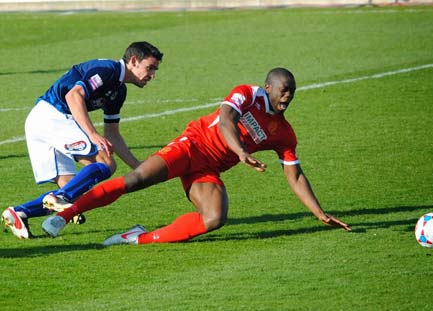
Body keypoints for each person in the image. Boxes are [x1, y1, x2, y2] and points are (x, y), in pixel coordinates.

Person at [42, 67, 352, 245]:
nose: (287, 97)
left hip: (208, 168)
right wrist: (241, 151)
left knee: (215, 218)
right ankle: (64, 215)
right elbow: (228, 119)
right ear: (269, 86)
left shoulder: (284, 132)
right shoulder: (248, 93)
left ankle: (137, 238)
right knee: (136, 180)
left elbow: (294, 174)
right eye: (283, 90)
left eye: (292, 93)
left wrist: (319, 212)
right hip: (191, 145)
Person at [1, 41, 164, 239]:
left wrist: (138, 167)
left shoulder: (119, 91)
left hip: (40, 121)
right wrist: (92, 134)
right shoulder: (108, 71)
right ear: (133, 61)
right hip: (52, 115)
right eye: (150, 68)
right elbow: (73, 95)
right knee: (105, 163)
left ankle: (19, 212)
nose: (152, 75)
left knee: (75, 192)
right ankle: (59, 197)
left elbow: (112, 134)